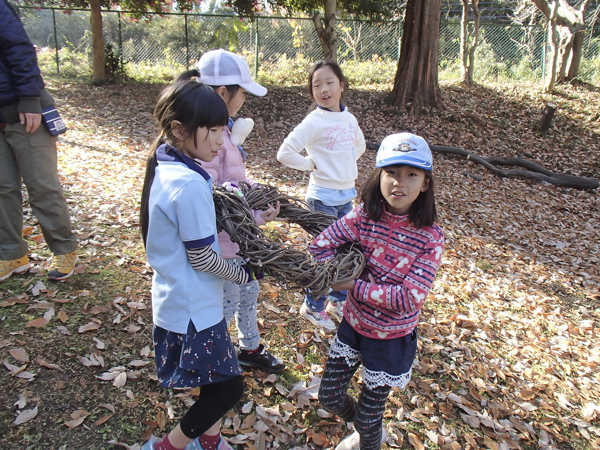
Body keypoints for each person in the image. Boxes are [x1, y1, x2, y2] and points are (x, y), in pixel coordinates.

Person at [140, 78, 253, 450]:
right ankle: (168, 447)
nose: (221, 140)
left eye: (224, 129)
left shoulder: (169, 166)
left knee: (219, 380)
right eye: (214, 130)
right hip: (193, 310)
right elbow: (203, 256)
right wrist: (243, 272)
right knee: (228, 389)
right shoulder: (188, 184)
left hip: (185, 301)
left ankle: (209, 441)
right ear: (178, 129)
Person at [313, 133, 444, 450]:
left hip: (390, 340)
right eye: (392, 173)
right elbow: (320, 246)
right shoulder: (363, 216)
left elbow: (408, 299)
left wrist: (350, 286)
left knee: (369, 420)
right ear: (379, 176)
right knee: (329, 397)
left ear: (425, 183)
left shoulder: (430, 238)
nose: (400, 183)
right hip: (354, 327)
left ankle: (367, 439)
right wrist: (335, 269)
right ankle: (363, 427)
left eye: (411, 174)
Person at [191, 49, 285, 373]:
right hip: (221, 244)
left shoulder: (224, 129)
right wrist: (252, 218)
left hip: (237, 239)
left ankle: (250, 346)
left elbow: (233, 185)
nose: (245, 97)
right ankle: (212, 358)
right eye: (242, 92)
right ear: (222, 92)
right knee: (227, 300)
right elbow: (214, 200)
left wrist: (257, 207)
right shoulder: (207, 138)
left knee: (249, 290)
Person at [277, 60, 366, 333]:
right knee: (325, 256)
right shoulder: (314, 120)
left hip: (346, 195)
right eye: (317, 85)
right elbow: (285, 153)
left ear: (342, 85)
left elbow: (359, 145)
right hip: (323, 199)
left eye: (329, 82)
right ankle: (313, 306)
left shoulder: (349, 119)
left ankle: (337, 301)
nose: (323, 89)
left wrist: (344, 165)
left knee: (346, 252)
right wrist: (310, 164)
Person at [0, 0, 78, 282]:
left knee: (41, 185)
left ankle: (65, 248)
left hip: (24, 111)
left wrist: (30, 99)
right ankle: (11, 255)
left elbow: (18, 48)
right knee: (3, 188)